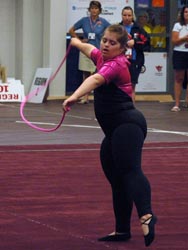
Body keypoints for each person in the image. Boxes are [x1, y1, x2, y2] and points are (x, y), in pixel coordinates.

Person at [63, 24, 157, 247]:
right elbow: (89, 49)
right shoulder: (103, 57)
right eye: (104, 40)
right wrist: (75, 42)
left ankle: (147, 215)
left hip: (128, 126)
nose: (105, 44)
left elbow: (95, 80)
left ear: (123, 48)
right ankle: (122, 229)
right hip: (114, 132)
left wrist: (73, 96)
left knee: (130, 171)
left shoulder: (117, 64)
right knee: (117, 180)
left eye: (112, 42)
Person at [69, 1, 110, 104]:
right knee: (85, 73)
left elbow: (112, 31)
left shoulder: (103, 22)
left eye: (96, 8)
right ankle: (85, 97)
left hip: (97, 51)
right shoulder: (84, 21)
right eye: (92, 8)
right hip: (85, 50)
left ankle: (99, 96)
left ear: (99, 11)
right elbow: (71, 30)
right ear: (89, 10)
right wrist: (79, 40)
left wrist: (105, 41)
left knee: (97, 74)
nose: (94, 10)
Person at [119, 6, 150, 103]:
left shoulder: (139, 29)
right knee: (119, 86)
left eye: (129, 15)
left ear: (132, 16)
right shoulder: (117, 29)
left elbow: (147, 43)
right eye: (125, 15)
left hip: (134, 61)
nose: (127, 17)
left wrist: (135, 43)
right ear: (121, 16)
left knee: (132, 86)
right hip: (119, 61)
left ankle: (131, 109)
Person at [171, 5, 188, 112]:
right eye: (186, 12)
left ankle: (187, 101)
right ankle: (177, 104)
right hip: (179, 53)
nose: (187, 13)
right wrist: (184, 38)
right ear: (182, 13)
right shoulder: (177, 25)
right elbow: (174, 41)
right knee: (179, 78)